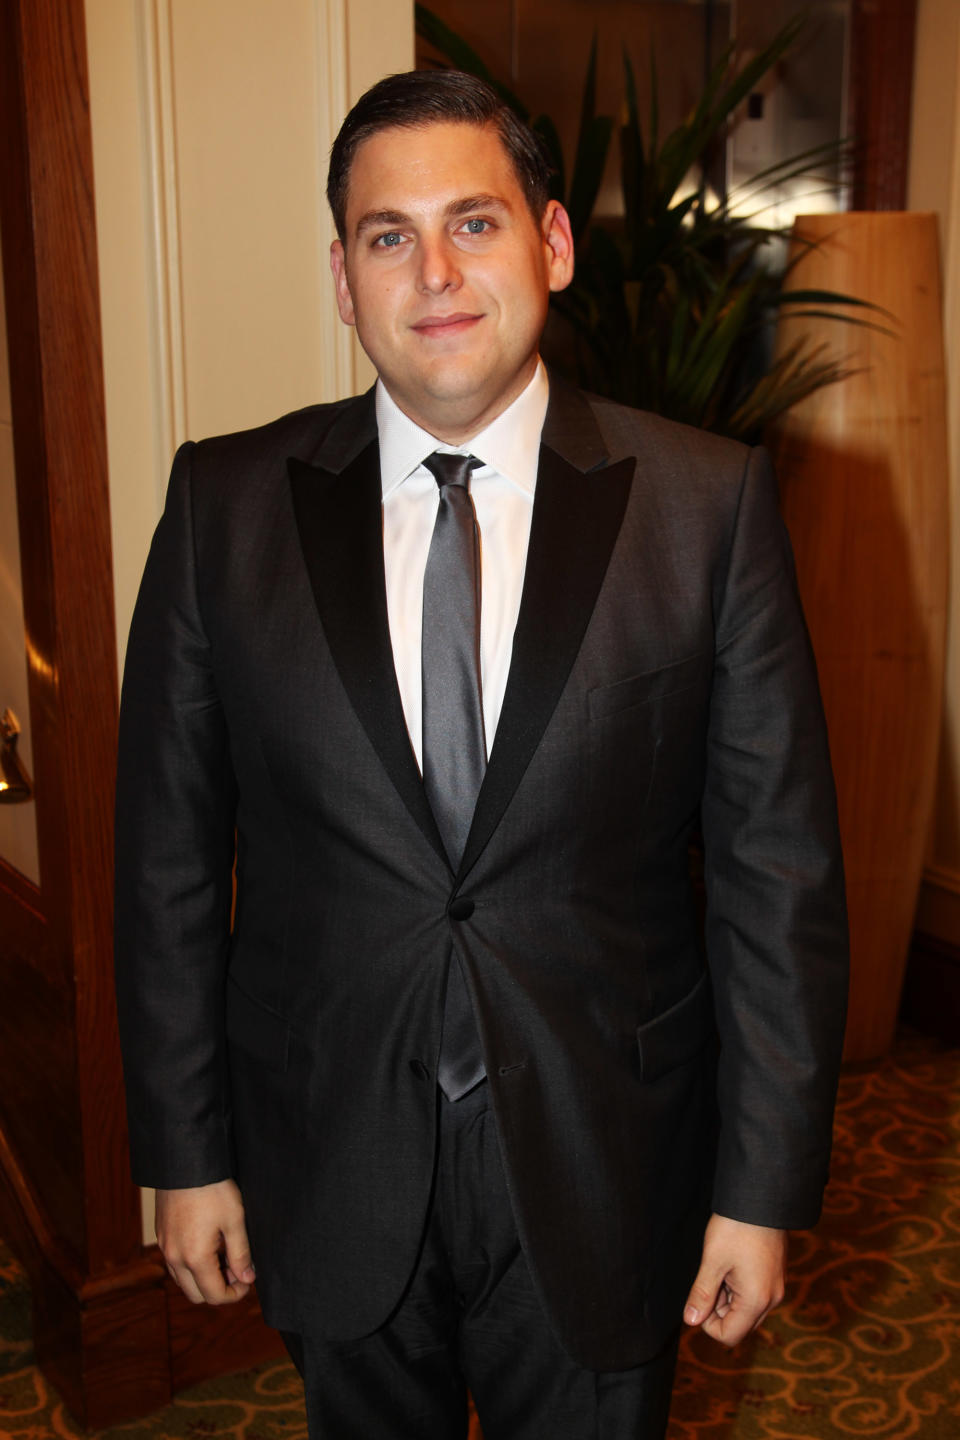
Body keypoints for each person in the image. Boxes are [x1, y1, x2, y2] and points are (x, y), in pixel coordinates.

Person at [114, 69, 849, 1440]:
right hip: (329, 1151)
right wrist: (185, 1150)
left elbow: (777, 879)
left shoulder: (708, 509)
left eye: (476, 222)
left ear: (553, 243)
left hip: (606, 1164)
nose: (435, 272)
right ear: (343, 280)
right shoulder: (224, 509)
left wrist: (759, 1188)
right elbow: (163, 860)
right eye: (389, 237)